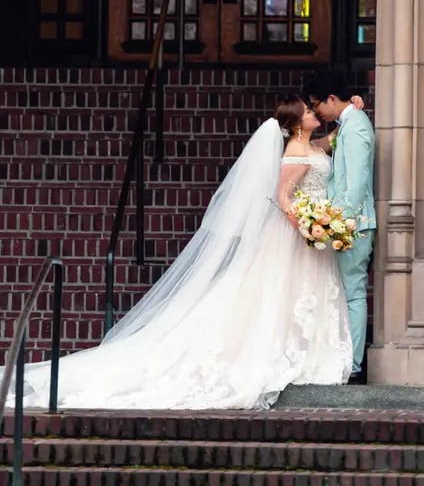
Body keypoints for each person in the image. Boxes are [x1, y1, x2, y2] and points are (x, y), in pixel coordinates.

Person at [0, 95, 364, 411]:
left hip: (311, 236)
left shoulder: (312, 147)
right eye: (308, 112)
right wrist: (307, 224)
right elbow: (284, 197)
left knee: (298, 297)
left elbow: (329, 144)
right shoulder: (295, 152)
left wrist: (351, 113)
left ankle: (307, 354)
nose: (315, 113)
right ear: (295, 123)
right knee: (280, 296)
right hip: (294, 236)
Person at [304, 74, 375, 384]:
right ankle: (346, 360)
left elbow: (357, 182)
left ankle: (356, 366)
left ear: (332, 98)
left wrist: (342, 224)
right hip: (343, 225)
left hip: (353, 226)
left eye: (318, 105)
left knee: (353, 294)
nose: (317, 112)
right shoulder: (346, 124)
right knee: (345, 294)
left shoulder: (356, 125)